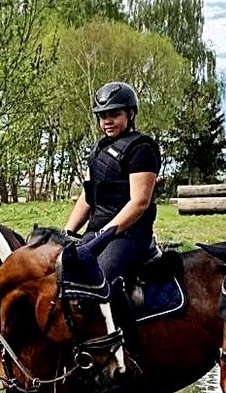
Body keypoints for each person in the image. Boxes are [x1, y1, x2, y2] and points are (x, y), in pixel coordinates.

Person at [63, 81, 161, 347]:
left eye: (114, 114)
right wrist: (68, 233)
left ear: (130, 114)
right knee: (60, 276)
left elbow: (139, 202)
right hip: (97, 232)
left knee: (101, 278)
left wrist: (105, 235)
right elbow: (88, 196)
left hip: (129, 234)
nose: (107, 121)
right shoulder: (98, 150)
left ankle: (127, 349)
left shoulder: (142, 149)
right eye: (103, 116)